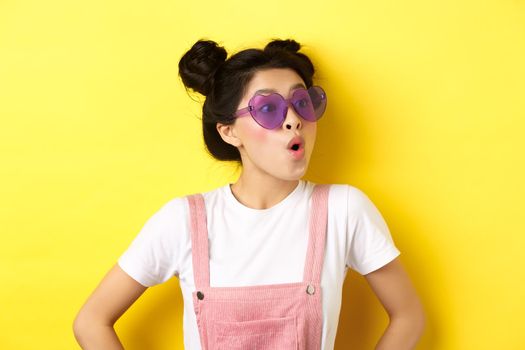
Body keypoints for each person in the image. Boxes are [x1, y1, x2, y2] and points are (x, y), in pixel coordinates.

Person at [73, 38, 425, 350]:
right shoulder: (184, 220)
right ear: (229, 132)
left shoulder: (343, 210)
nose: (293, 120)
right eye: (269, 109)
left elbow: (409, 316)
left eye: (302, 102)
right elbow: (91, 322)